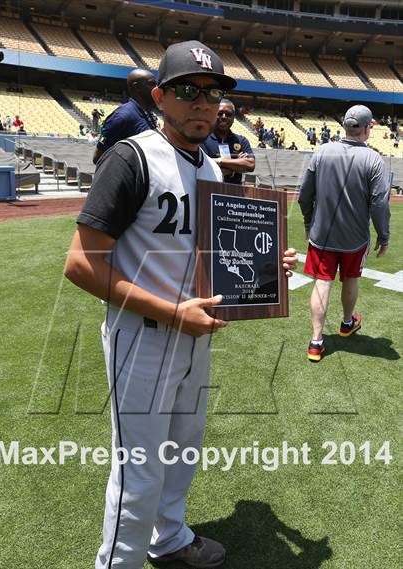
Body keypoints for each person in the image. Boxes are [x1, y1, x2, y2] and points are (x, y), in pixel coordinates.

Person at [64, 40, 297, 569]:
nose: (203, 102)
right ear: (160, 96)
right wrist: (173, 313)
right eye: (188, 90)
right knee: (140, 468)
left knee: (183, 447)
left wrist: (266, 270)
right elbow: (81, 264)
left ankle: (167, 539)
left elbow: (213, 254)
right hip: (141, 335)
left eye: (213, 93)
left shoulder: (212, 169)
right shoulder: (133, 157)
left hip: (196, 333)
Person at [298, 104, 390, 362]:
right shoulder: (373, 158)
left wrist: (308, 223)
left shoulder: (322, 152)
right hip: (355, 238)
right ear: (368, 128)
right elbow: (380, 203)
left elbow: (305, 195)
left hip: (322, 236)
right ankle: (347, 323)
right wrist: (384, 236)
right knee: (350, 279)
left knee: (322, 282)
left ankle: (316, 342)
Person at [93, 69, 158, 164]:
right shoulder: (122, 117)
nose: (157, 88)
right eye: (152, 84)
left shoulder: (149, 114)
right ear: (137, 87)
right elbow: (98, 158)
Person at [200, 98, 255, 184]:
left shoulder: (242, 141)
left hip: (234, 193)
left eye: (228, 114)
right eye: (220, 113)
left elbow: (250, 165)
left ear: (233, 118)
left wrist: (219, 161)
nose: (224, 117)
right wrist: (236, 165)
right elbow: (204, 167)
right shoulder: (203, 139)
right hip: (208, 190)